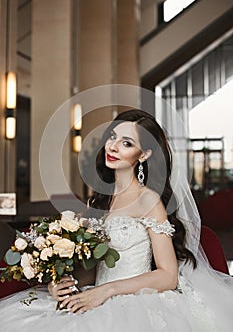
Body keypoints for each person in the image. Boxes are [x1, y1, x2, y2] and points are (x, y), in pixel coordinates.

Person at [0, 109, 233, 331]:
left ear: (144, 154)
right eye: (113, 137)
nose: (112, 146)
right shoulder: (97, 203)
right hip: (95, 294)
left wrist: (107, 291)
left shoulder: (148, 200)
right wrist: (60, 284)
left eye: (127, 143)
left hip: (134, 302)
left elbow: (168, 275)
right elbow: (91, 270)